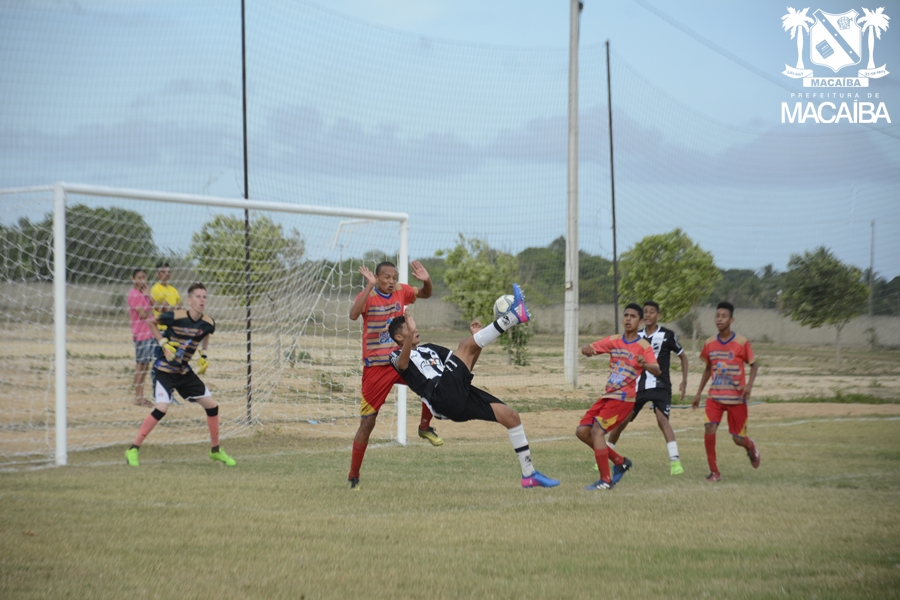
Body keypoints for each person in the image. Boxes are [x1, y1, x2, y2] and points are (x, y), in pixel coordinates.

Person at [388, 285, 559, 489]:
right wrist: (471, 343)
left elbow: (465, 366)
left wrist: (477, 343)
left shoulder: (431, 349)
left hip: (458, 396)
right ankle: (513, 316)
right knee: (465, 344)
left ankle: (529, 474)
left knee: (511, 416)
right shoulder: (395, 355)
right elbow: (403, 365)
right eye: (409, 328)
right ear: (400, 337)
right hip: (440, 397)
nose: (415, 330)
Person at [346, 260, 441, 490]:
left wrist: (426, 280)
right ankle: (354, 475)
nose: (391, 281)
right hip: (376, 367)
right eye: (386, 277)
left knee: (433, 381)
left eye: (394, 277)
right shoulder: (368, 295)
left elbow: (426, 293)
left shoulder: (401, 291)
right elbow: (353, 315)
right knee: (368, 423)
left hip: (401, 360)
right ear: (377, 278)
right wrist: (368, 287)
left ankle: (424, 427)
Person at [124, 282, 233, 467]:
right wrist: (163, 343)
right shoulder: (175, 316)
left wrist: (203, 354)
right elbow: (151, 322)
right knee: (162, 408)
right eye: (198, 297)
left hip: (183, 371)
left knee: (212, 406)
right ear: (189, 300)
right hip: (165, 371)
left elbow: (207, 333)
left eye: (204, 297)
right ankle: (133, 449)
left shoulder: (208, 322)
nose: (202, 300)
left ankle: (215, 451)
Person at [577, 303, 660, 490]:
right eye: (626, 315)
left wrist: (644, 364)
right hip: (608, 395)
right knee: (582, 432)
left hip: (624, 399)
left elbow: (657, 369)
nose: (628, 319)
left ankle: (605, 480)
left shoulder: (643, 346)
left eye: (633, 316)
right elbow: (590, 347)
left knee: (597, 431)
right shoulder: (614, 340)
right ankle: (620, 462)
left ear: (640, 321)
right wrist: (586, 349)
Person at [606, 300, 688, 476]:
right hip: (638, 386)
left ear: (658, 316)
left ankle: (675, 462)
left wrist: (684, 381)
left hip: (661, 385)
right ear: (642, 318)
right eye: (646, 312)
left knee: (662, 420)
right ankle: (606, 455)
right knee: (622, 421)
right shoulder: (637, 337)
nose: (649, 315)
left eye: (652, 312)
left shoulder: (668, 335)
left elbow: (683, 357)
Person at [692, 301, 760, 482]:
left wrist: (749, 386)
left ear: (732, 319)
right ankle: (714, 472)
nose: (719, 319)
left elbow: (754, 365)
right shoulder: (709, 343)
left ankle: (750, 446)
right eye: (717, 316)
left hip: (737, 399)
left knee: (738, 439)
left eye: (724, 316)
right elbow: (708, 368)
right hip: (714, 397)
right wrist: (699, 392)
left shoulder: (741, 342)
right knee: (709, 428)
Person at [149, 261, 182, 394]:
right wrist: (167, 308)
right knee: (159, 361)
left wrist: (168, 308)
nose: (167, 274)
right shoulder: (155, 289)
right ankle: (156, 392)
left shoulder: (173, 290)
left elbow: (180, 306)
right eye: (163, 271)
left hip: (172, 330)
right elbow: (158, 307)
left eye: (169, 271)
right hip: (160, 330)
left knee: (172, 362)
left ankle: (170, 393)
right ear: (158, 274)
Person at [126, 267, 155, 407]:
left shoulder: (145, 293)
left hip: (150, 333)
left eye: (144, 277)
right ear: (133, 279)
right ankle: (138, 397)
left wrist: (149, 296)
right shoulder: (133, 295)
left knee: (145, 365)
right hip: (141, 335)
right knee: (140, 366)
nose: (142, 280)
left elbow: (156, 306)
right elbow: (143, 314)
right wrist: (149, 304)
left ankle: (142, 396)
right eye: (139, 278)